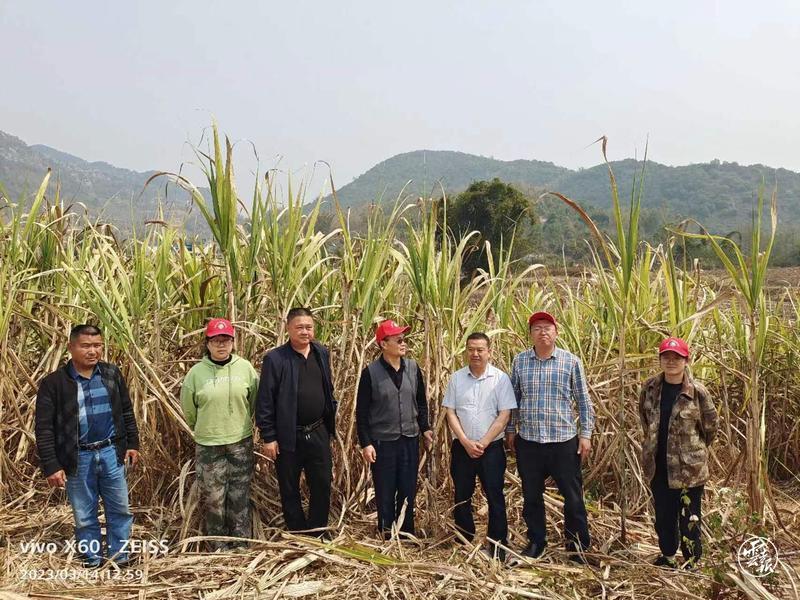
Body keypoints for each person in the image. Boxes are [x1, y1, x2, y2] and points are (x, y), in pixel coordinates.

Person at [35, 324, 140, 567]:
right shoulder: (54, 384)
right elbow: (44, 428)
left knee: (120, 509)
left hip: (111, 452)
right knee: (84, 515)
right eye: (85, 346)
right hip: (78, 457)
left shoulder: (111, 374)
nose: (92, 351)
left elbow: (125, 411)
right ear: (71, 347)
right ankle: (92, 559)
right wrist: (51, 465)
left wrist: (132, 443)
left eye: (97, 346)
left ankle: (119, 557)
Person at [506, 311, 595, 563]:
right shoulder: (520, 361)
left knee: (573, 497)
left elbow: (584, 402)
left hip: (563, 442)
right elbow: (514, 399)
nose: (542, 332)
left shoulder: (570, 362)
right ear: (531, 334)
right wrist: (511, 429)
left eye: (547, 327)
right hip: (530, 442)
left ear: (556, 332)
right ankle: (536, 542)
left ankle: (577, 547)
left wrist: (585, 435)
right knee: (531, 495)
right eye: (536, 328)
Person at [639, 337, 718, 569]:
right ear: (660, 359)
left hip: (689, 470)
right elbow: (645, 421)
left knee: (690, 517)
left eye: (677, 357)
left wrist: (691, 451)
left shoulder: (698, 392)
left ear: (686, 360)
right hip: (658, 466)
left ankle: (692, 560)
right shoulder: (650, 388)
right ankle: (668, 556)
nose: (671, 361)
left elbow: (710, 428)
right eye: (666, 357)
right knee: (663, 516)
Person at [256, 307, 336, 534]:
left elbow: (327, 388)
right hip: (287, 435)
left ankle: (319, 530)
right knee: (289, 486)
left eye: (309, 327)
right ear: (288, 328)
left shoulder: (321, 353)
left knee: (321, 484)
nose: (304, 332)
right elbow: (265, 400)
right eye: (299, 327)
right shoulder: (275, 359)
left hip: (318, 431)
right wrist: (269, 436)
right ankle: (298, 532)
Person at [180, 318, 259, 550]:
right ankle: (218, 545)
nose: (221, 345)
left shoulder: (245, 369)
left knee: (239, 495)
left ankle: (241, 543)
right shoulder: (196, 374)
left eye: (226, 340)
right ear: (207, 343)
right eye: (216, 340)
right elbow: (189, 409)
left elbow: (253, 401)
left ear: (233, 342)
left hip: (240, 442)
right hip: (209, 445)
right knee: (214, 498)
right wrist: (206, 427)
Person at [356, 319, 434, 538]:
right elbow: (361, 412)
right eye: (398, 339)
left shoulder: (413, 368)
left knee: (408, 487)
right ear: (383, 343)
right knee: (385, 489)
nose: (403, 342)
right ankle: (386, 531)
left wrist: (425, 428)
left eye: (404, 338)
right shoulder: (370, 373)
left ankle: (406, 531)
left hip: (409, 439)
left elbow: (421, 402)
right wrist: (366, 443)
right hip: (383, 442)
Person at [443, 332, 516, 560]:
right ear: (466, 351)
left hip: (491, 449)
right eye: (471, 349)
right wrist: (465, 441)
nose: (475, 354)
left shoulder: (501, 379)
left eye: (480, 350)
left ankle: (497, 543)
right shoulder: (456, 378)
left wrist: (483, 442)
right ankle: (464, 539)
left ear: (489, 352)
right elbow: (450, 412)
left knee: (495, 495)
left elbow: (505, 414)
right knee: (462, 495)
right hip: (462, 448)